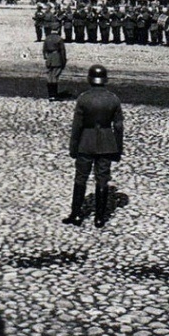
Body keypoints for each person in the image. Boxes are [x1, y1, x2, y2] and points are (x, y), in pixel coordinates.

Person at [64, 64, 124, 228]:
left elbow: (77, 126)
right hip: (107, 144)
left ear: (90, 79)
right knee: (102, 179)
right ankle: (99, 218)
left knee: (80, 178)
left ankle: (76, 214)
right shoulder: (113, 99)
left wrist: (73, 147)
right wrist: (118, 149)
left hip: (86, 142)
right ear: (105, 80)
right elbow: (118, 127)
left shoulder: (84, 98)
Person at [42, 27, 67, 101]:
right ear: (58, 30)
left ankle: (50, 95)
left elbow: (44, 50)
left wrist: (46, 58)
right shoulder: (59, 39)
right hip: (56, 57)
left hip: (49, 58)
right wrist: (63, 61)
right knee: (55, 76)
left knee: (49, 76)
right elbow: (62, 51)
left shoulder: (47, 38)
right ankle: (54, 95)